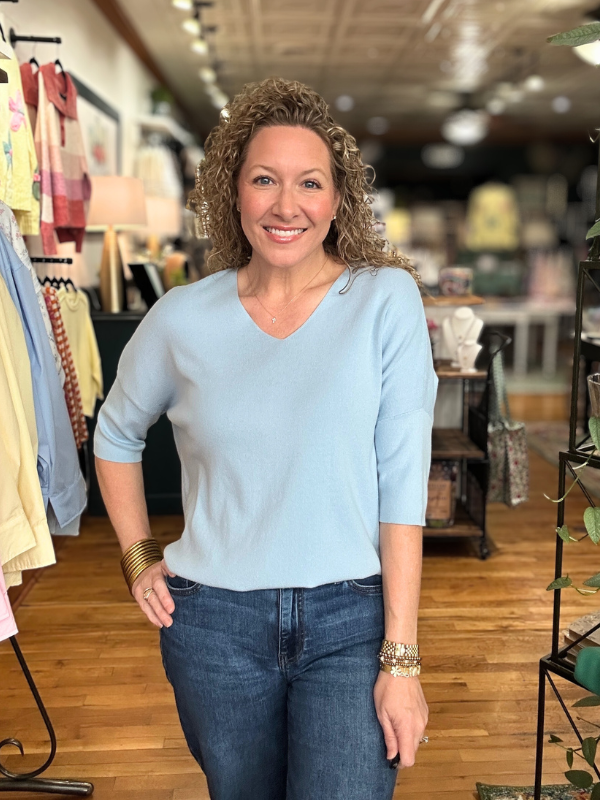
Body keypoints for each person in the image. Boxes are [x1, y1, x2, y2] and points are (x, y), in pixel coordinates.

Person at [93, 76, 438, 800]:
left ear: (338, 199)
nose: (287, 205)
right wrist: (138, 557)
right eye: (264, 180)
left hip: (352, 617)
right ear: (234, 192)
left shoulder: (384, 300)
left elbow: (404, 483)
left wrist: (401, 659)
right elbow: (116, 432)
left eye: (310, 182)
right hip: (213, 621)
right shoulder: (182, 317)